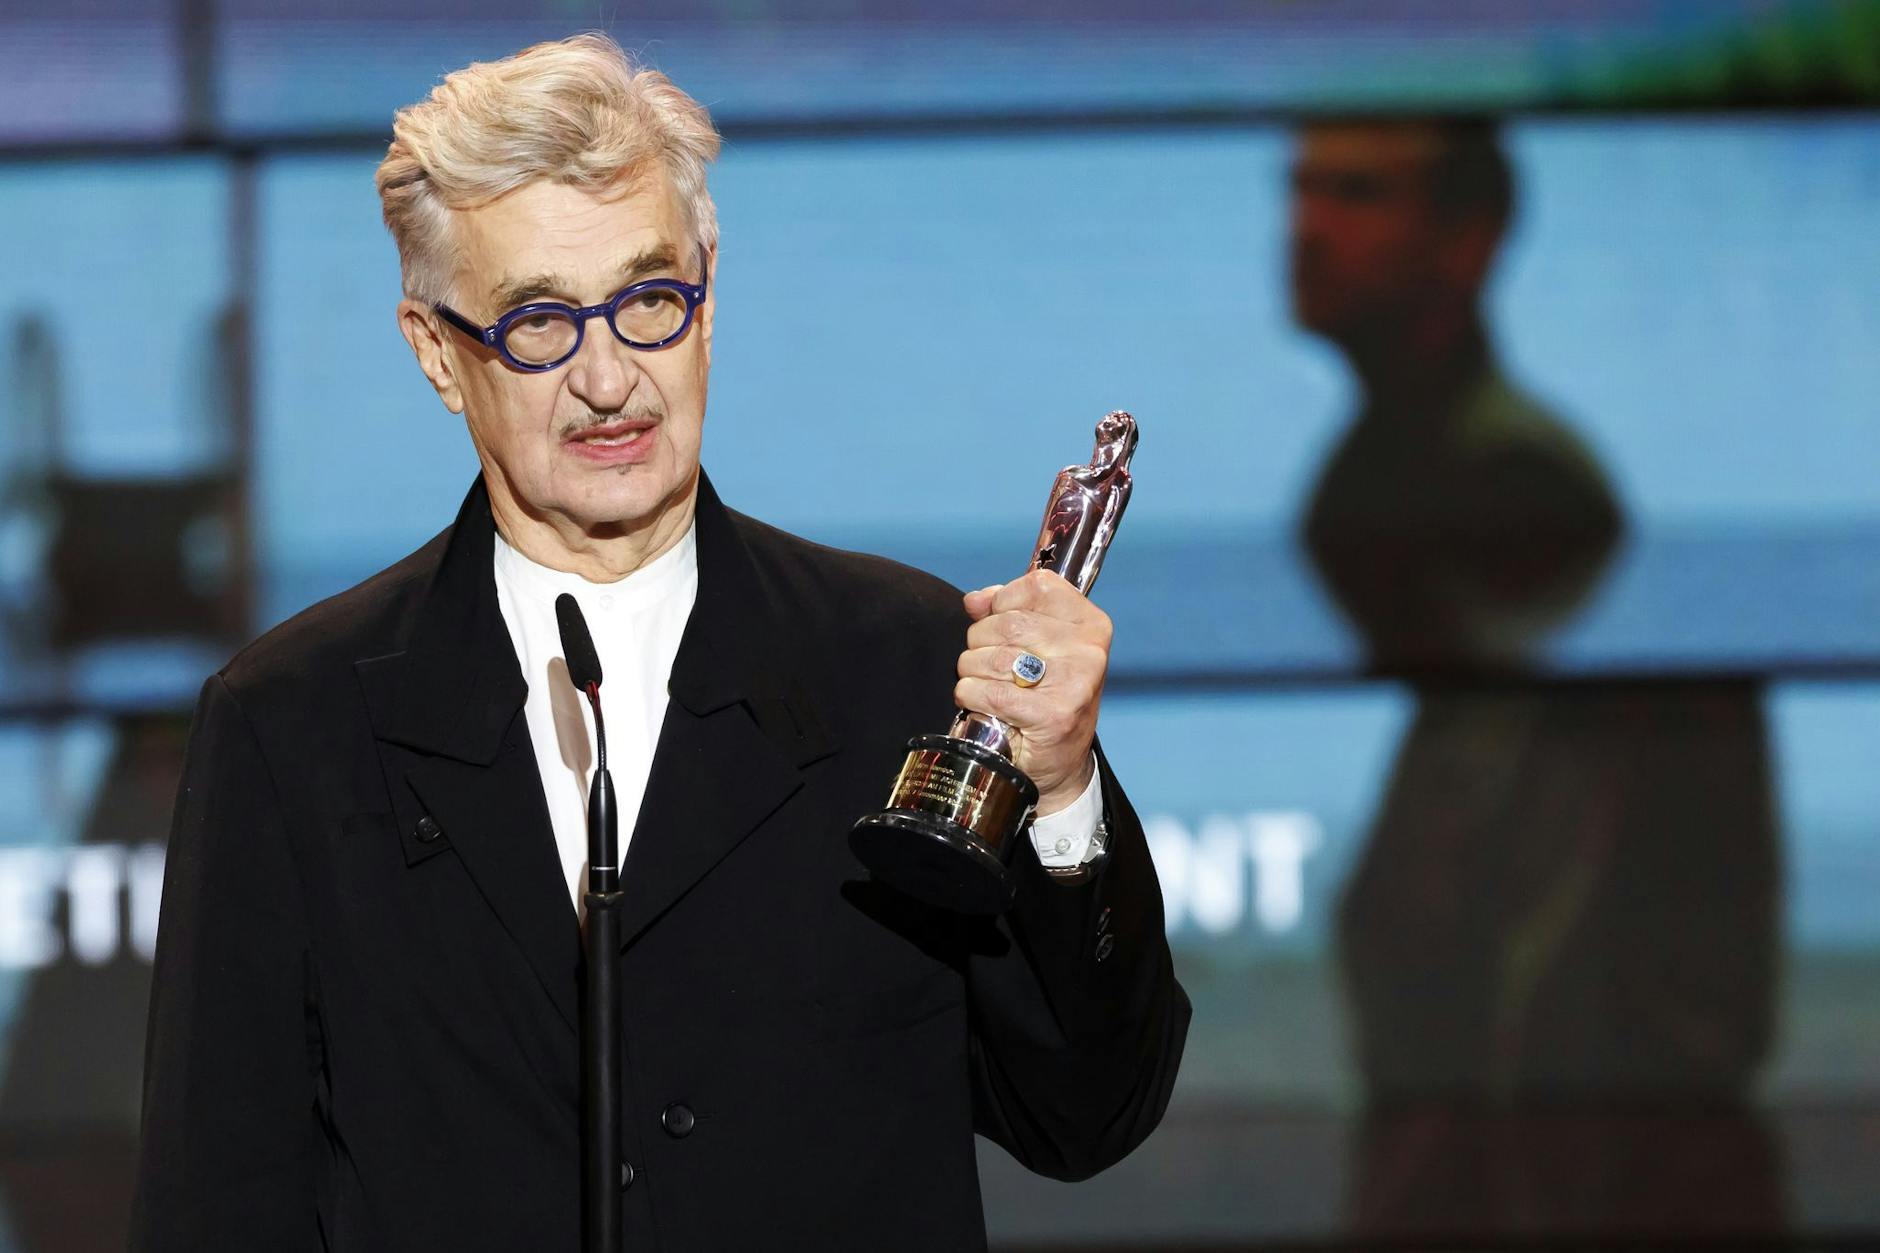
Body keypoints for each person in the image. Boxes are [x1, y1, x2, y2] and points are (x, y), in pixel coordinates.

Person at [130, 35, 1188, 1252]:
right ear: (435, 351)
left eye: (646, 301)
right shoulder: (294, 725)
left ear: (708, 292)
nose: (606, 378)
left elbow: (1086, 1115)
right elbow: (217, 1201)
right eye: (535, 321)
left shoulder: (902, 667)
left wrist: (1058, 799)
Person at [1289, 119, 1780, 1233]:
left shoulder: (1516, 501)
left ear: (1469, 239)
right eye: (1302, 188)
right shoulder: (1380, 482)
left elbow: (1558, 1018)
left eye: (1358, 193)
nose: (1306, 229)